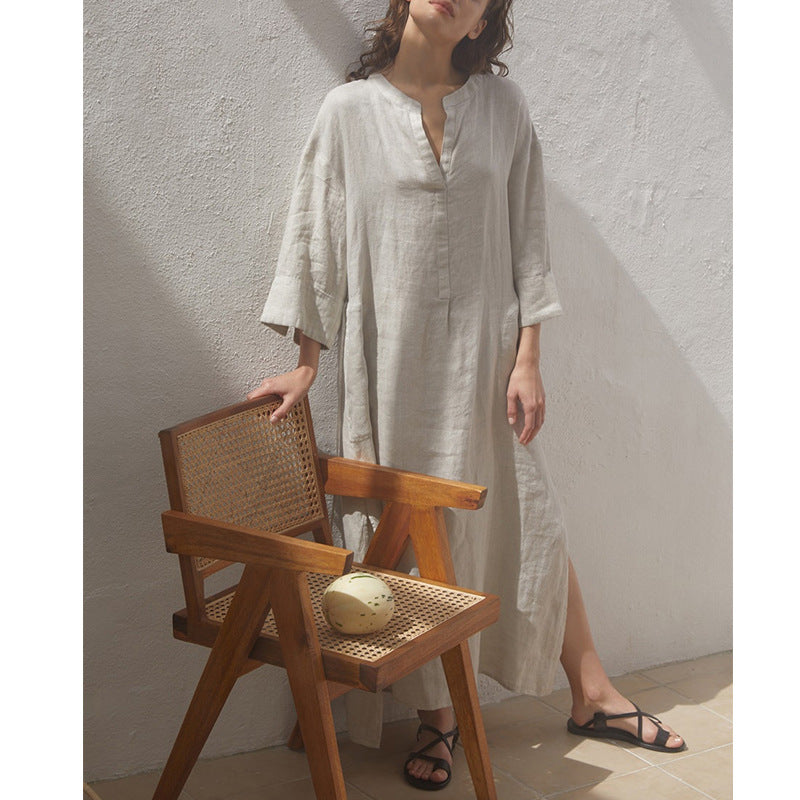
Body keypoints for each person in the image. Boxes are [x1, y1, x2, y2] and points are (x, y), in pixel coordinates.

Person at [249, 0, 685, 790]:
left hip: (488, 365)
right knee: (416, 532)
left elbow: (529, 240)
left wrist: (529, 360)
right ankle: (439, 717)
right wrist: (307, 364)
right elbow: (316, 237)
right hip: (393, 367)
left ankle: (592, 691)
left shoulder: (503, 109)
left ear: (485, 21)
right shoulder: (348, 114)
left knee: (526, 517)